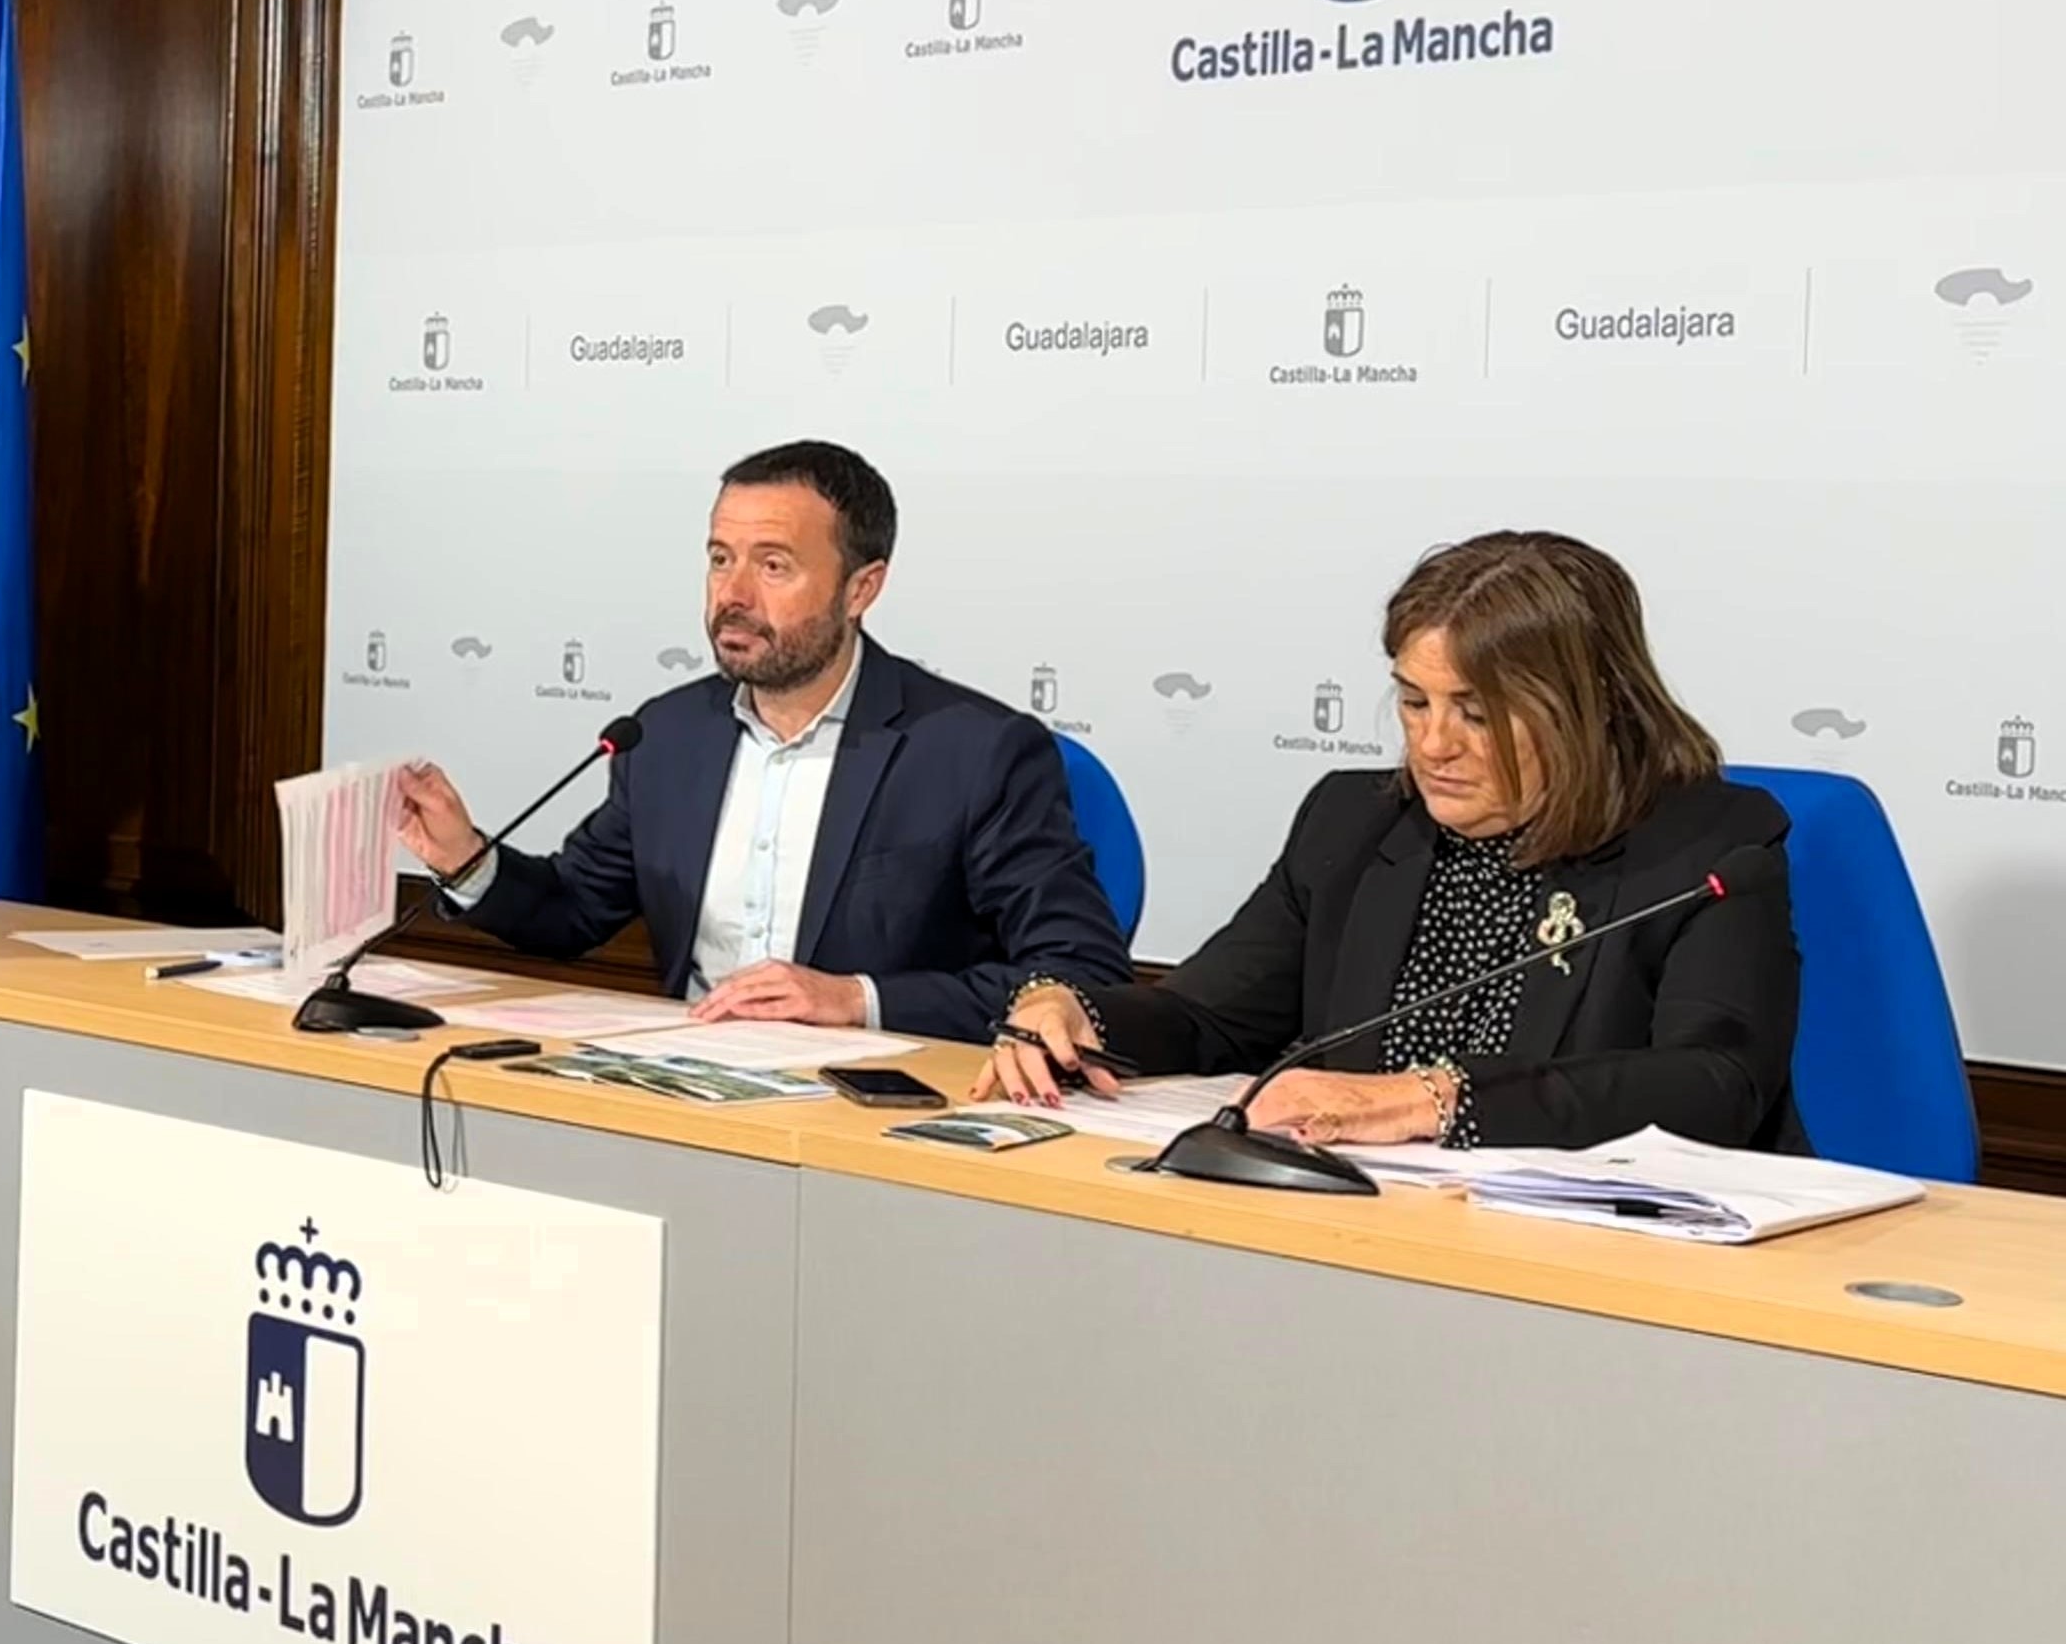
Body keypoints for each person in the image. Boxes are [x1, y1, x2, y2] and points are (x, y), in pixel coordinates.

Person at [978, 530, 1801, 1151]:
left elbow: (1715, 1082)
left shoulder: (1709, 847)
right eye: (1414, 702)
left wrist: (1431, 1099)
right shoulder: (1356, 820)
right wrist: (1077, 1015)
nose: (1434, 744)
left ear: (1587, 710)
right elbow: (1208, 1016)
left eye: (1477, 713)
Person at [391, 441, 1129, 1038]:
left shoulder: (974, 752)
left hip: (867, 1106)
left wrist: (855, 999)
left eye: (773, 565)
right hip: (682, 1082)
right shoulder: (669, 734)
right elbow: (575, 908)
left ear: (861, 588)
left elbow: (1079, 969)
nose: (733, 595)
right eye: (721, 559)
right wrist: (468, 860)